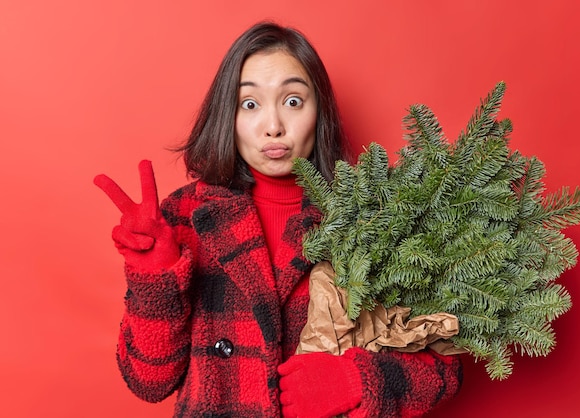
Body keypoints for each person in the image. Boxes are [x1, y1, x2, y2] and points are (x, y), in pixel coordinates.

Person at [94, 21, 463, 418]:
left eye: (292, 101)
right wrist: (156, 278)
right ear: (228, 115)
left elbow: (443, 367)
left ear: (318, 110)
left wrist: (355, 381)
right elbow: (149, 382)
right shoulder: (185, 218)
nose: (273, 126)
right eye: (249, 104)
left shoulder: (370, 218)